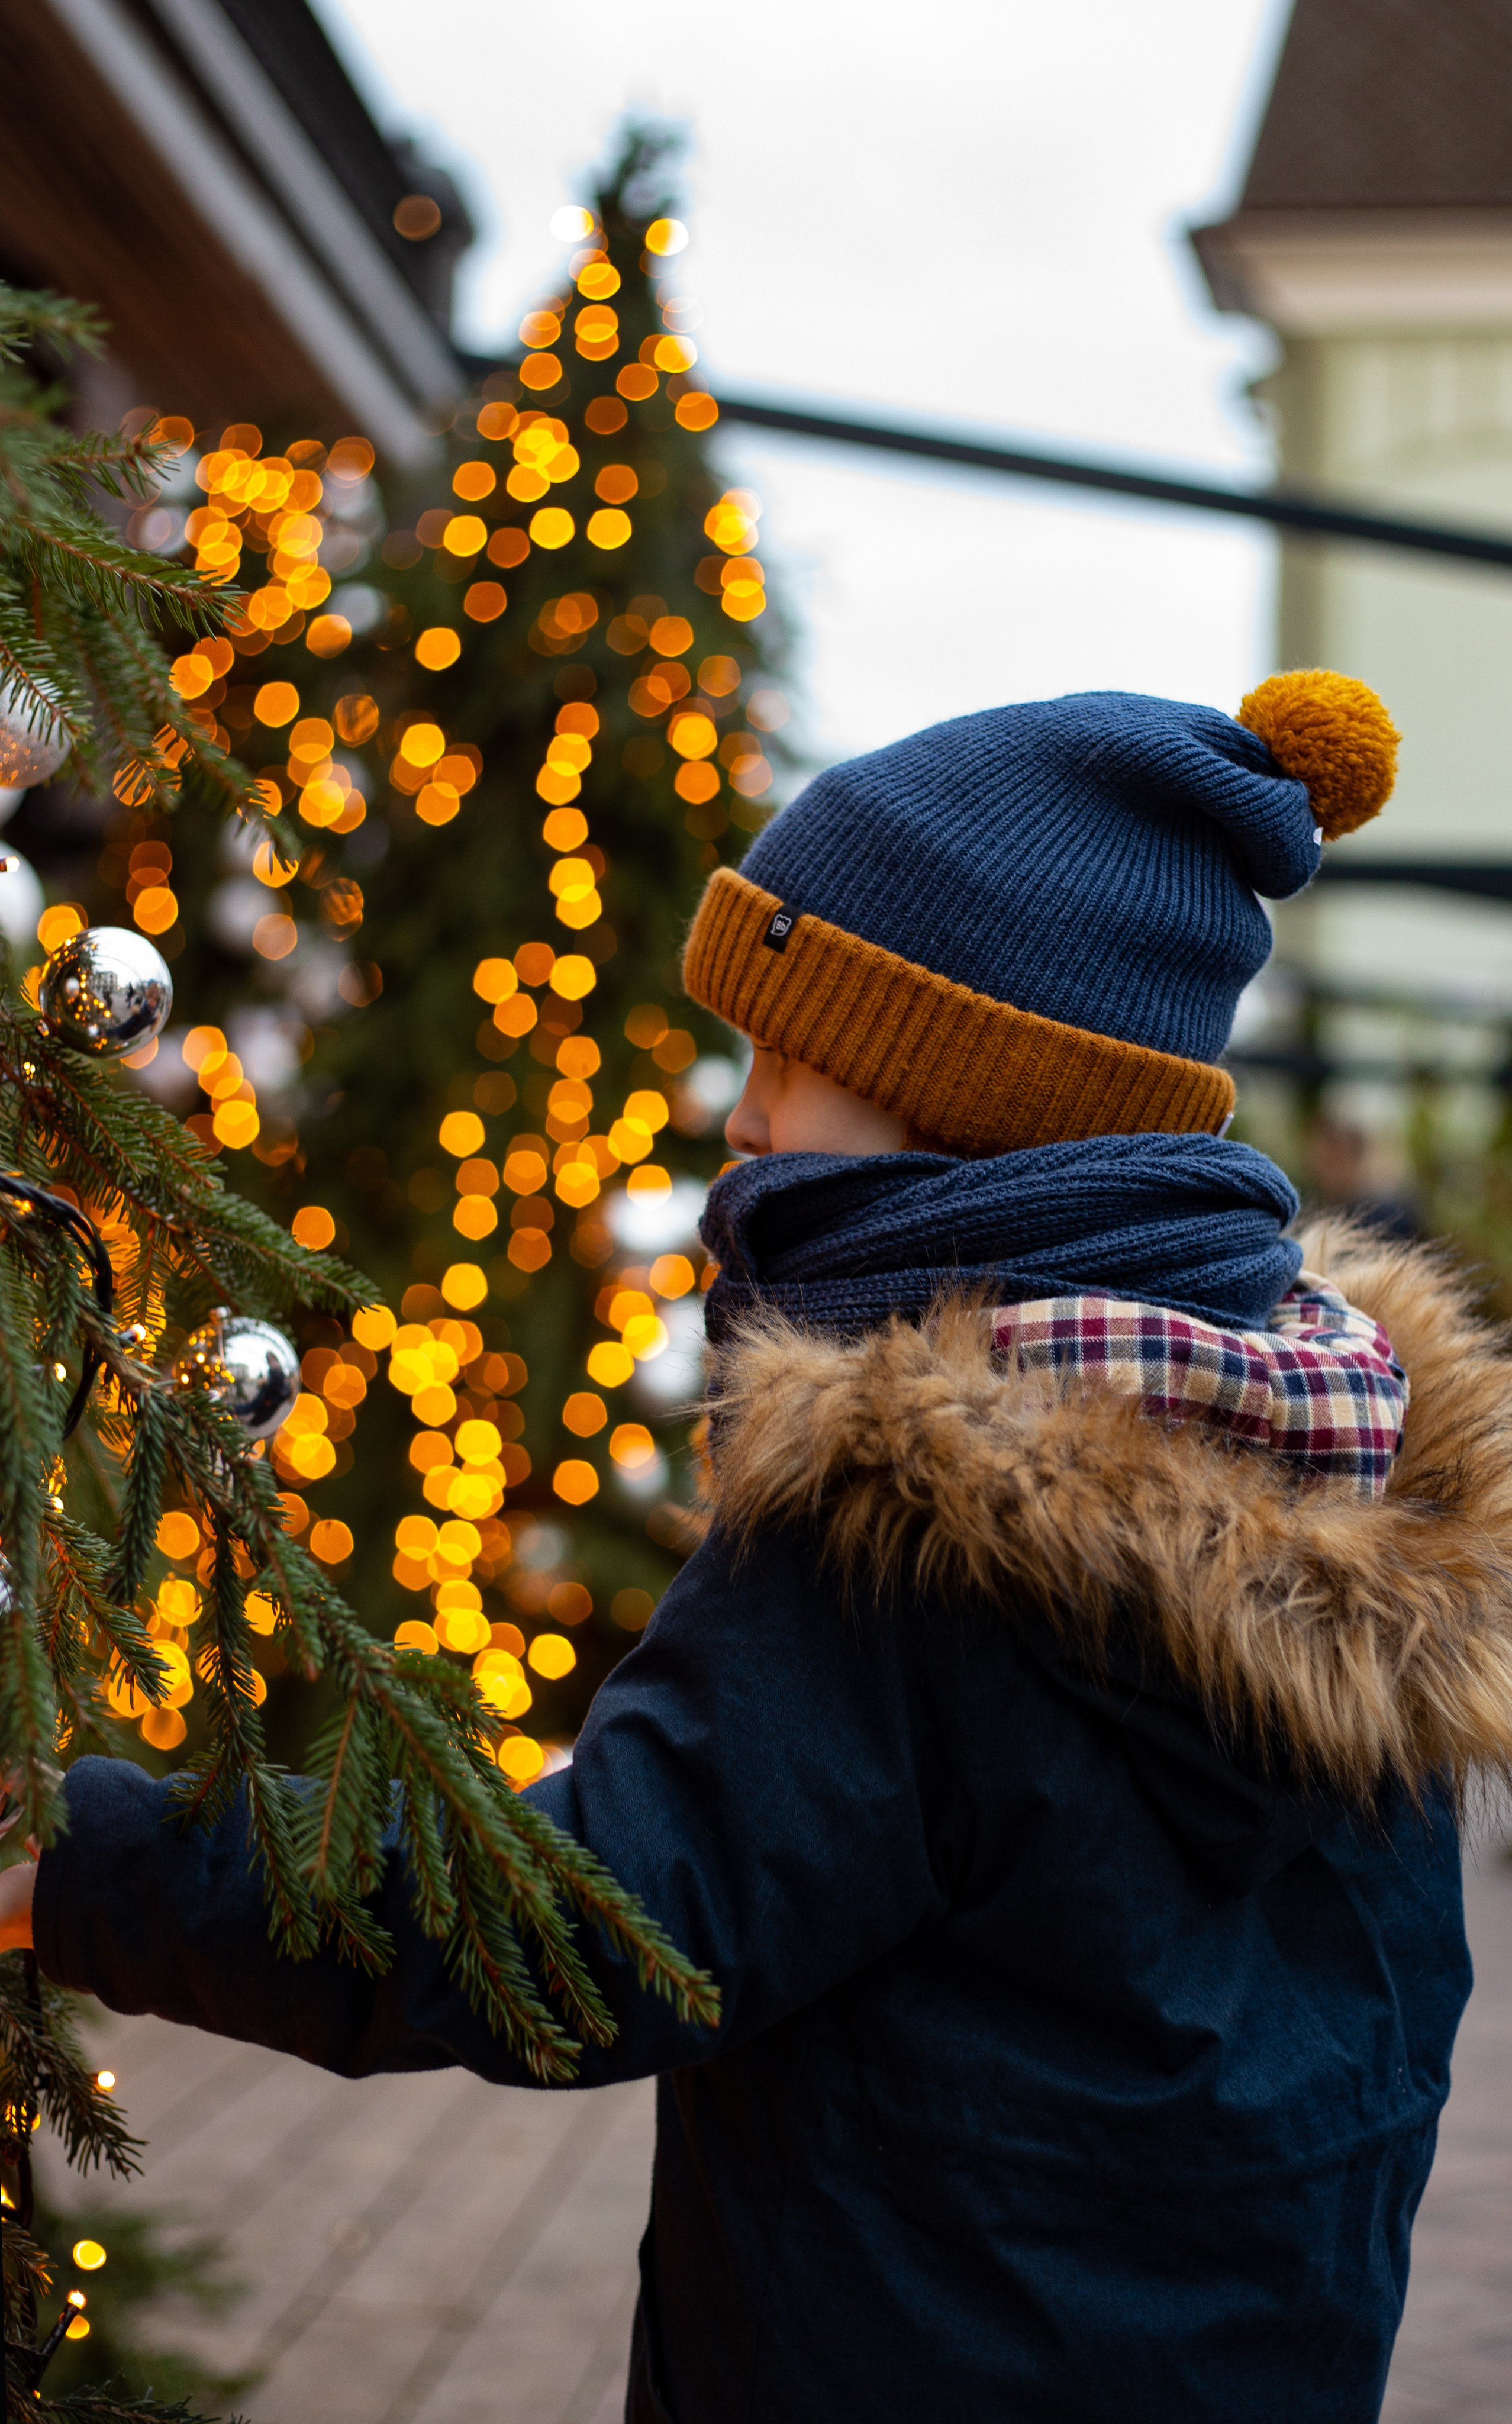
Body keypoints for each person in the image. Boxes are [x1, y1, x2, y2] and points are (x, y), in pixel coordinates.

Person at [3, 672, 1507, 2424]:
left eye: (786, 1060)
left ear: (956, 1097)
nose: (740, 1121)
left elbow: (583, 1926)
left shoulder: (911, 1530)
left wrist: (89, 1857)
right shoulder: (1356, 1470)